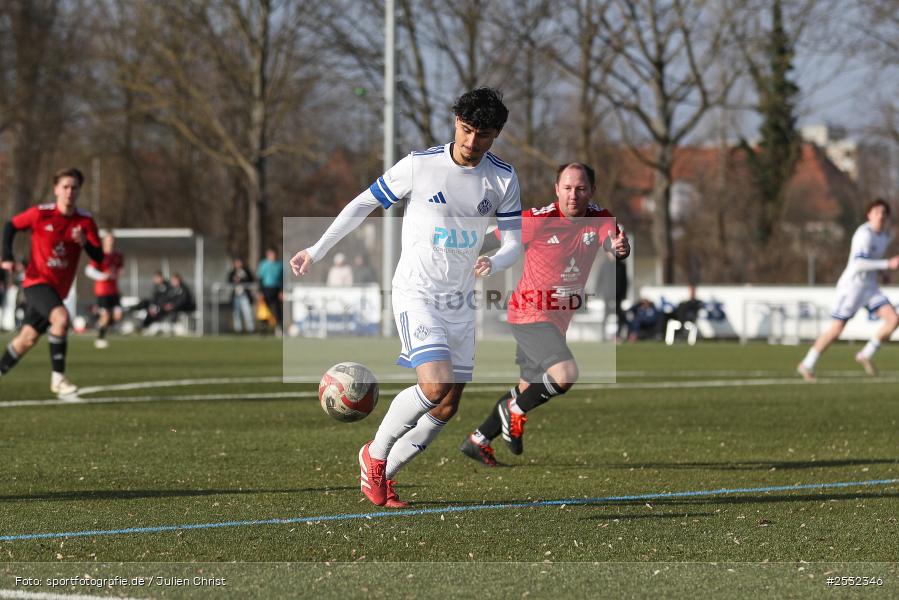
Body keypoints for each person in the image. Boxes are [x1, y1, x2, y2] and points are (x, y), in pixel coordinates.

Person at [290, 87, 523, 507]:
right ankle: (374, 456)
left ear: (497, 134)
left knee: (448, 405)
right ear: (456, 122)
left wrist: (497, 261)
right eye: (467, 130)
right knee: (434, 386)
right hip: (416, 292)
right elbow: (362, 204)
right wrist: (316, 250)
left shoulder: (502, 177)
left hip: (459, 301)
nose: (472, 142)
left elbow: (512, 243)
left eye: (484, 134)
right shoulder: (420, 166)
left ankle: (383, 474)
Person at [459, 162, 629, 466]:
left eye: (580, 188)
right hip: (530, 314)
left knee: (527, 388)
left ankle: (479, 439)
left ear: (592, 191)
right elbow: (493, 237)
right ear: (556, 190)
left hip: (557, 319)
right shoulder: (539, 220)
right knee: (565, 375)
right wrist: (460, 254)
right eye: (567, 188)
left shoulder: (601, 218)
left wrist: (619, 248)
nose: (573, 195)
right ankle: (515, 412)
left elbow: (611, 244)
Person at [0, 167, 103, 397]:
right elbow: (10, 226)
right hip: (36, 283)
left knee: (26, 339)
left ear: (79, 191)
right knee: (61, 318)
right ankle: (58, 379)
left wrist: (85, 242)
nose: (69, 192)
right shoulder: (41, 213)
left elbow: (99, 258)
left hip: (58, 291)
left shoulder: (85, 221)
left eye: (74, 187)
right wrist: (6, 255)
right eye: (65, 187)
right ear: (56, 189)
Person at [798, 199, 899, 381]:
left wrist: (882, 272)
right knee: (837, 329)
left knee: (893, 320)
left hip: (870, 288)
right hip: (852, 287)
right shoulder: (864, 234)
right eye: (876, 211)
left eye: (884, 212)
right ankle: (807, 363)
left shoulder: (884, 236)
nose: (880, 215)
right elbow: (859, 263)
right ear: (869, 215)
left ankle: (865, 354)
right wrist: (887, 264)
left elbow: (872, 260)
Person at [85, 232, 124, 349]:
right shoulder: (99, 255)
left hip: (114, 291)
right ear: (104, 241)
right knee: (106, 316)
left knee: (118, 316)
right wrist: (103, 276)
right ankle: (100, 339)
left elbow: (119, 269)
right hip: (102, 291)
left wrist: (120, 272)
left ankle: (99, 324)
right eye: (108, 239)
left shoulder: (118, 256)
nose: (111, 242)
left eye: (112, 239)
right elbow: (89, 270)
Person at [257, 247, 284, 332]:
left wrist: (281, 291)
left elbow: (282, 279)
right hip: (266, 289)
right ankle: (263, 328)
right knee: (264, 309)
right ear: (268, 255)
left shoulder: (279, 265)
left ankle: (279, 327)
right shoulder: (264, 264)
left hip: (276, 289)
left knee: (277, 309)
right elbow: (260, 279)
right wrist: (260, 292)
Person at [227, 257, 255, 333]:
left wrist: (242, 279)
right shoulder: (232, 272)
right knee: (236, 313)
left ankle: (250, 329)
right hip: (236, 296)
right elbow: (228, 281)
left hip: (245, 296)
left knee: (248, 312)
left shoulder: (246, 271)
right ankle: (238, 330)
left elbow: (251, 280)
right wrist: (234, 279)